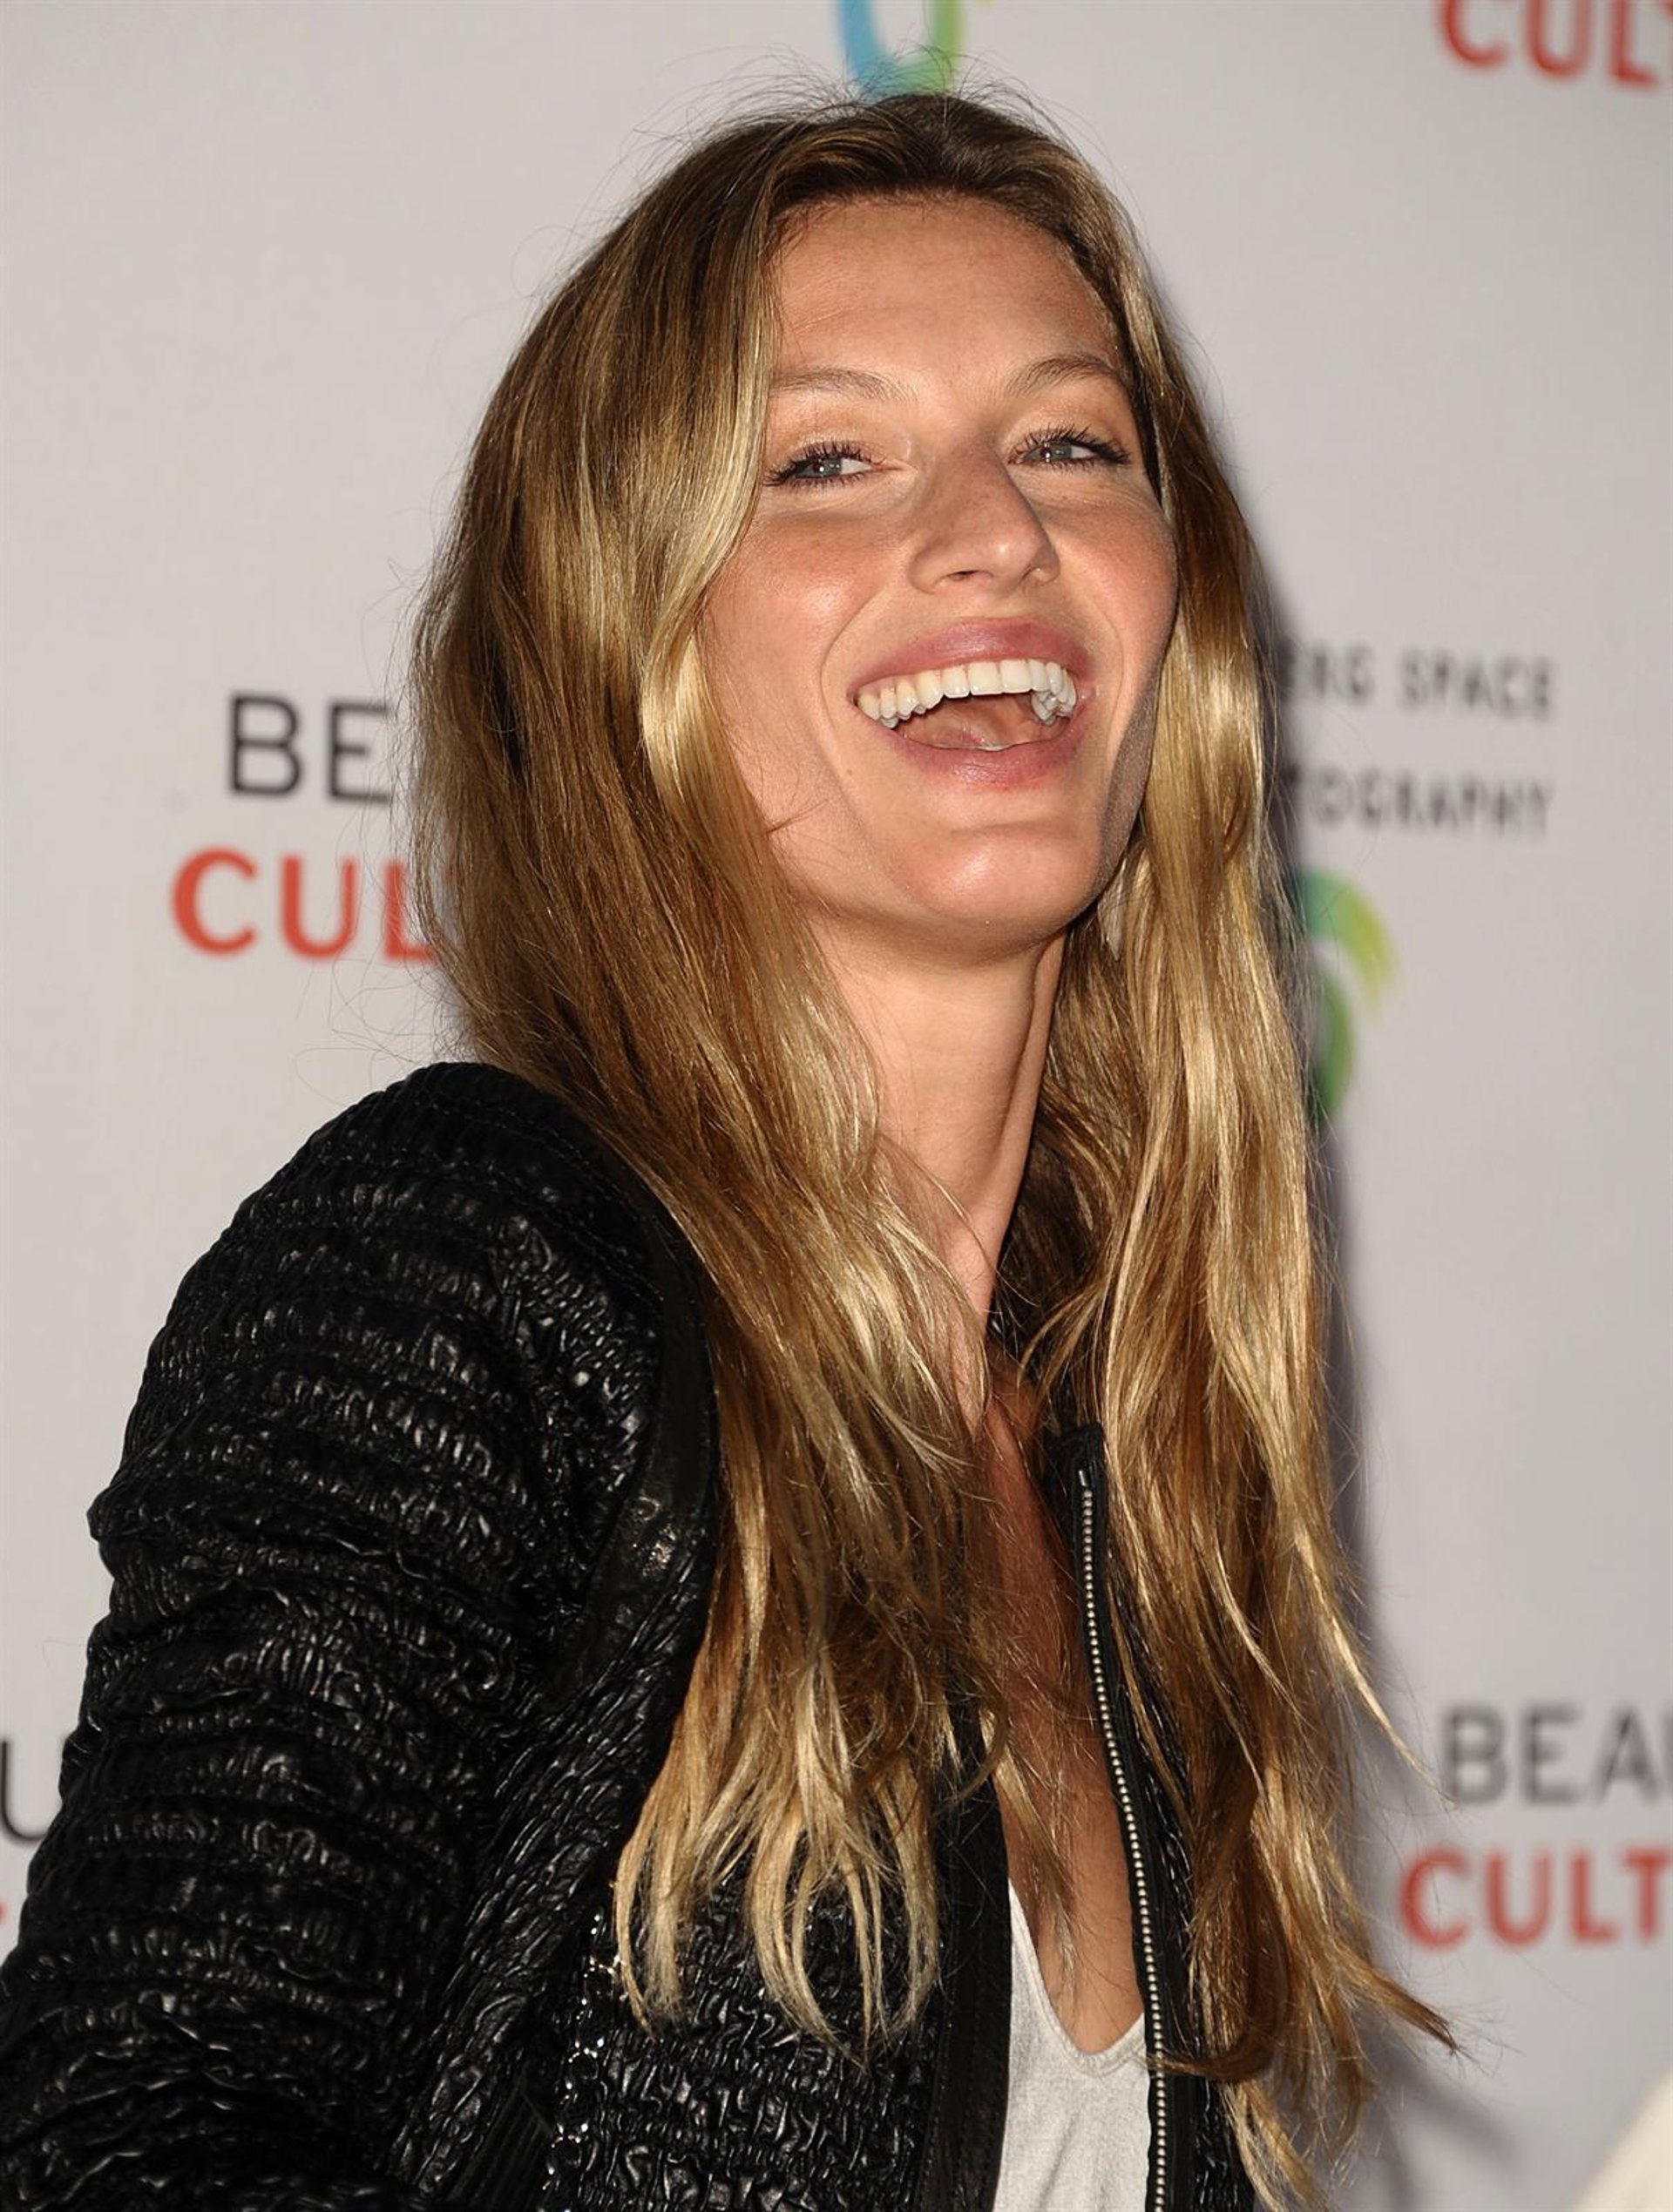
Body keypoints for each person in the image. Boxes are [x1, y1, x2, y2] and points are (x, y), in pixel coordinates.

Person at [0, 88, 1446, 2212]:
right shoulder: (476, 1267)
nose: (996, 532)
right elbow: (125, 2143)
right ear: (626, 629)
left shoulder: (1120, 1434)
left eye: (1071, 444)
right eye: (828, 463)